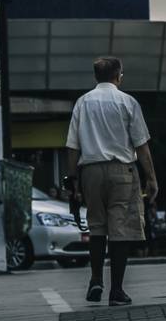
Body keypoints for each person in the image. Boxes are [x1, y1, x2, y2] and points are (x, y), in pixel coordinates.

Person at [65, 56, 157, 307]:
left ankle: (96, 279)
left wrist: (72, 180)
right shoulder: (128, 102)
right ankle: (116, 290)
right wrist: (151, 178)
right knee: (120, 230)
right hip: (122, 171)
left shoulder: (83, 103)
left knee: (96, 226)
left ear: (96, 77)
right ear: (118, 76)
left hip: (90, 171)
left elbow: (72, 146)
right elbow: (141, 145)